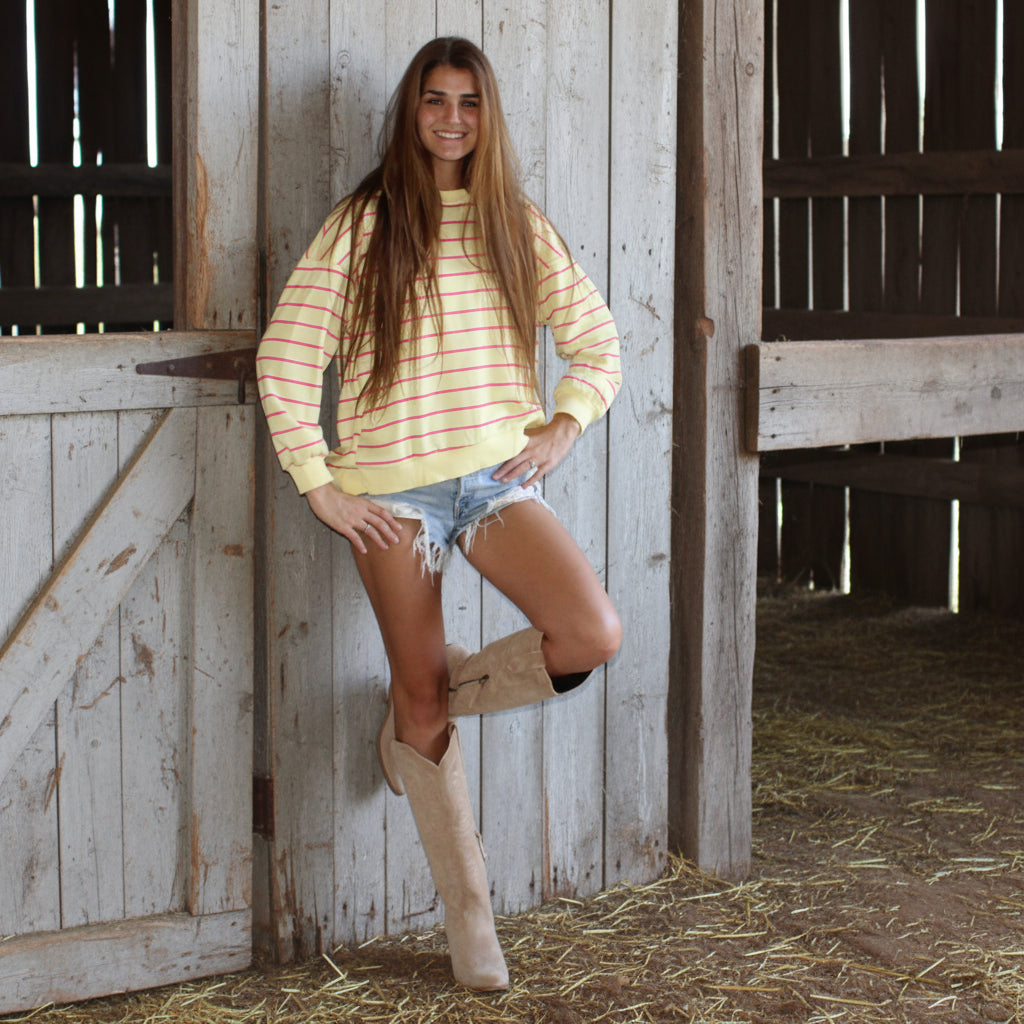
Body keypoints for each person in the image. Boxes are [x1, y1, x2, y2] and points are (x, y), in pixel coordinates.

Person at [257, 36, 622, 992]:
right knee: (420, 697)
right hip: (390, 495)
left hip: (493, 483)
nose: (451, 119)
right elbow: (285, 360)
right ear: (411, 111)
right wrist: (320, 485)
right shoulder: (361, 225)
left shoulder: (515, 224)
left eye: (468, 101)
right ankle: (470, 917)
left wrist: (563, 428)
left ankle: (418, 707)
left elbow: (597, 344)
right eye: (434, 100)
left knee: (590, 634)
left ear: (486, 114)